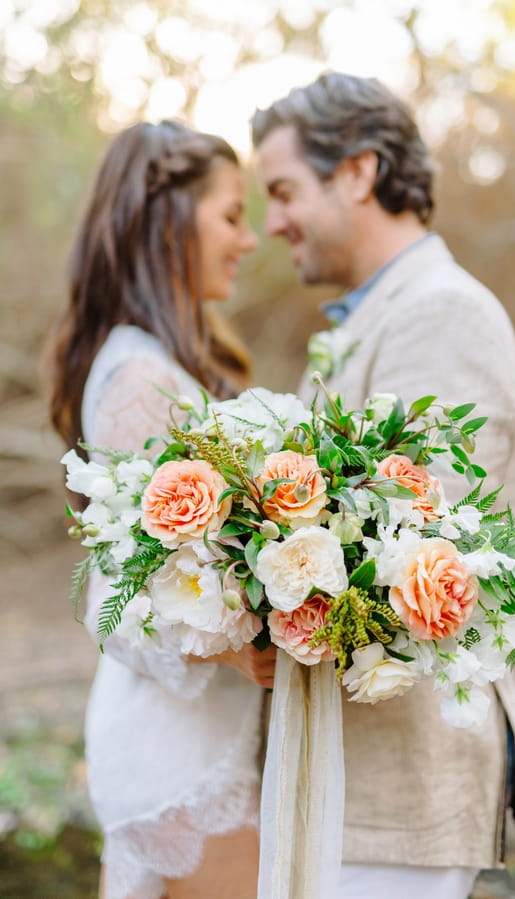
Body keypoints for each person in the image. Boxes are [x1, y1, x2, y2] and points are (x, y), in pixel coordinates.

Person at [252, 73, 515, 899]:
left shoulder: (443, 314)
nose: (272, 222)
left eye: (283, 191)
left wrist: (252, 602)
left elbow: (418, 548)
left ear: (358, 173)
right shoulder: (366, 322)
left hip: (399, 783)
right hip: (346, 779)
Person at [47, 120, 276, 899]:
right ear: (169, 222)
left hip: (205, 736)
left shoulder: (168, 367)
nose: (249, 239)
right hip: (181, 758)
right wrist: (238, 645)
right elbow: (117, 604)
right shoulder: (142, 382)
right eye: (231, 215)